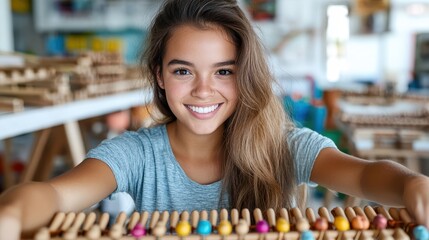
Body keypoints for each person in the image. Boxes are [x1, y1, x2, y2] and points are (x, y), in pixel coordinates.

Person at [1, 0, 429, 238]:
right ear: (160, 77)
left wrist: (412, 184)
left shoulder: (284, 146)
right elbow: (55, 196)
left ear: (245, 75)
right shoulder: (134, 154)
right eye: (183, 70)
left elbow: (368, 177)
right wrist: (13, 214)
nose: (204, 90)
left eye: (224, 71)